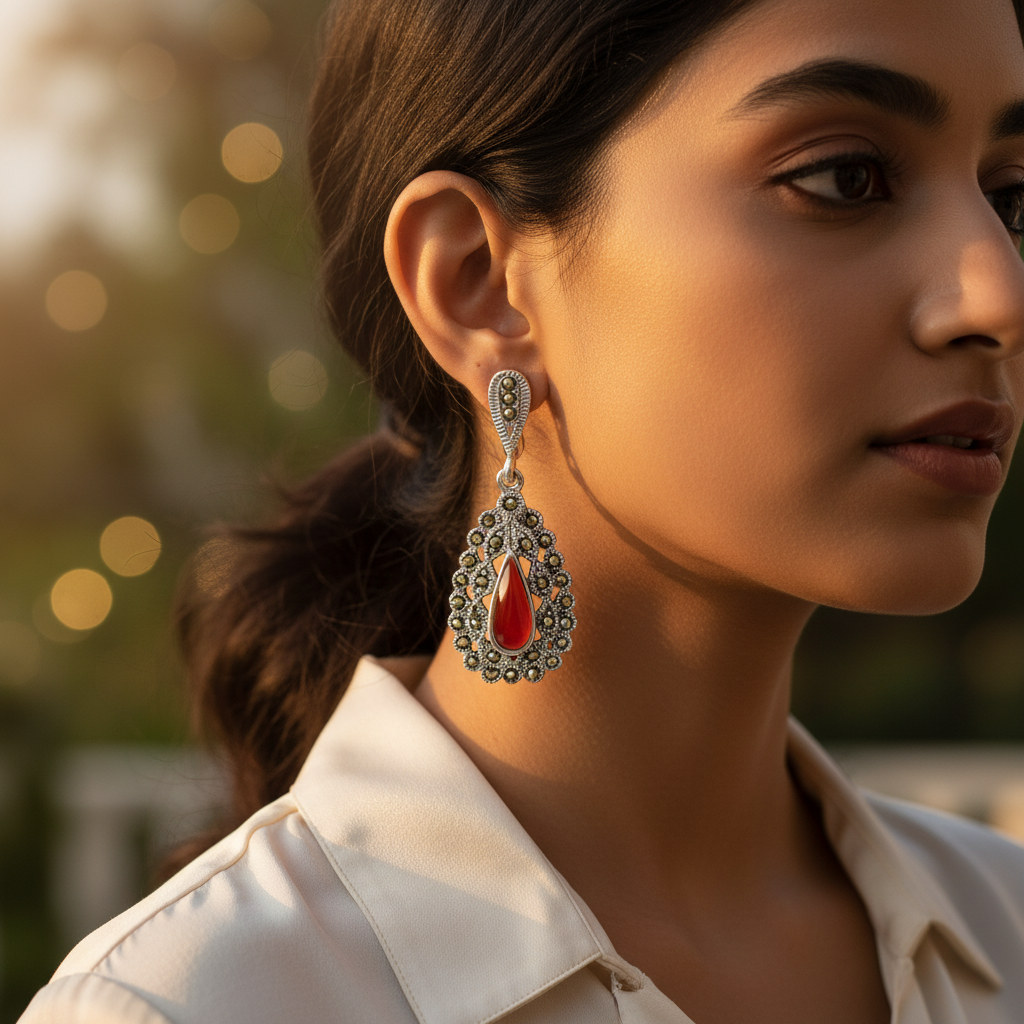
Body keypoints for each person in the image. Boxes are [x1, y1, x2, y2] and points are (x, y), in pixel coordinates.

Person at [19, 0, 1024, 1020]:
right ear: (477, 283)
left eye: (1010, 196)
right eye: (844, 178)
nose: (996, 292)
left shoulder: (1007, 929)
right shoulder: (189, 1003)